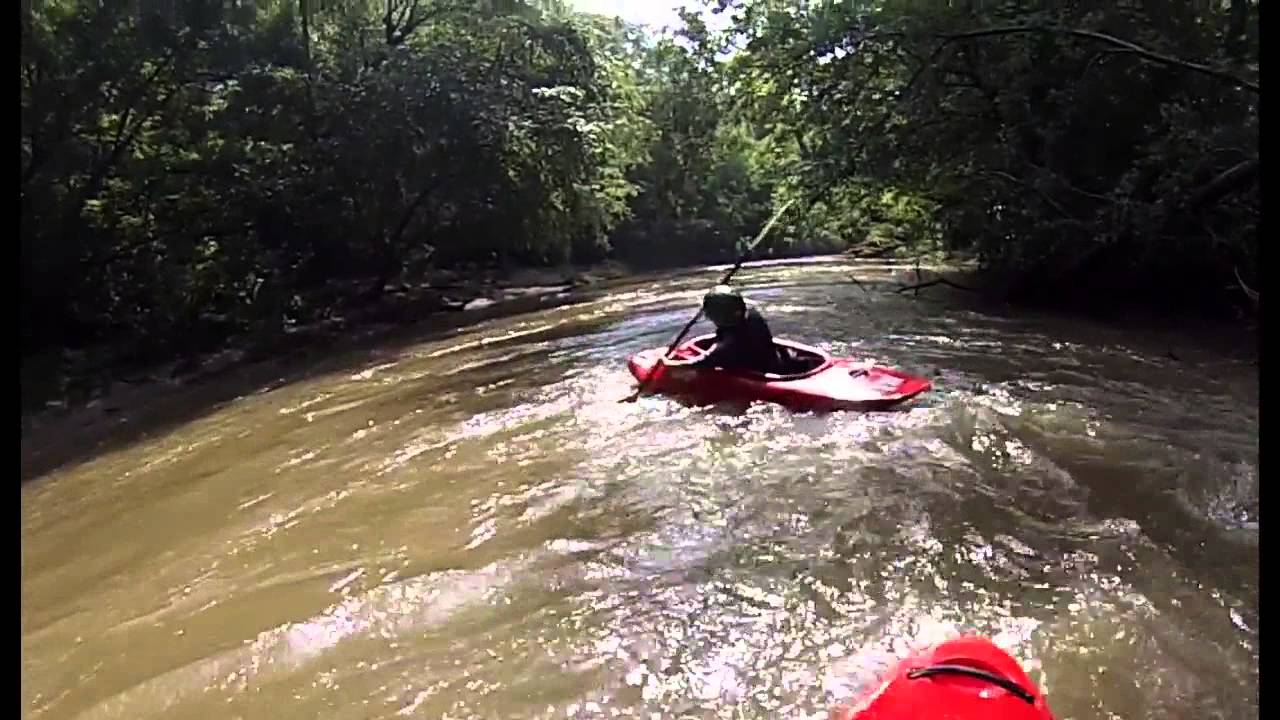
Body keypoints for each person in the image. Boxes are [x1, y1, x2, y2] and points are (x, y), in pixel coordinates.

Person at [685, 284, 784, 374]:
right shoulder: (752, 315)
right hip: (774, 362)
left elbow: (700, 363)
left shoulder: (727, 344)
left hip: (759, 372)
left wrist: (671, 364)